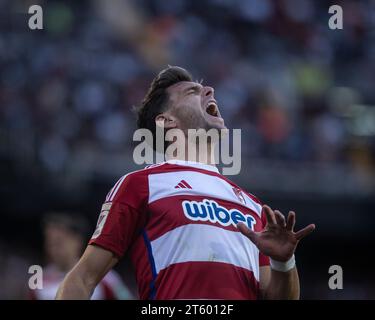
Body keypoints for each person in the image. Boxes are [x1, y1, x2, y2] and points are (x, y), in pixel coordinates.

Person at [56, 66, 315, 300]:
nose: (210, 91)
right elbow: (82, 278)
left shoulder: (253, 205)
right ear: (167, 121)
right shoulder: (141, 185)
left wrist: (284, 262)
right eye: (193, 91)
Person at [31, 213, 133, 300]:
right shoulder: (38, 279)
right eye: (50, 243)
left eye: (59, 242)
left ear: (77, 241)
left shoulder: (104, 277)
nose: (54, 249)